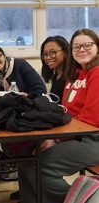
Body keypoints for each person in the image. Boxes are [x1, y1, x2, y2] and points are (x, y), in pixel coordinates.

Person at [18, 28, 99, 203]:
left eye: (88, 45)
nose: (82, 49)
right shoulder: (75, 75)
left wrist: (57, 139)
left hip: (93, 138)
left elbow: (90, 118)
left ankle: (79, 200)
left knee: (38, 166)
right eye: (77, 46)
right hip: (77, 135)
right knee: (26, 160)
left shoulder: (97, 73)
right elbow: (64, 112)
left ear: (97, 47)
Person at [0, 45, 47, 201]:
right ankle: (26, 190)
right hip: (13, 115)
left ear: (4, 56)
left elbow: (40, 88)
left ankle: (31, 191)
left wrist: (26, 95)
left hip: (30, 113)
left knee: (24, 153)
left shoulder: (20, 65)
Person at [40, 36, 70, 104]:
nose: (48, 57)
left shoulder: (71, 77)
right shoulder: (55, 75)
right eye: (45, 54)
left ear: (65, 52)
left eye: (52, 52)